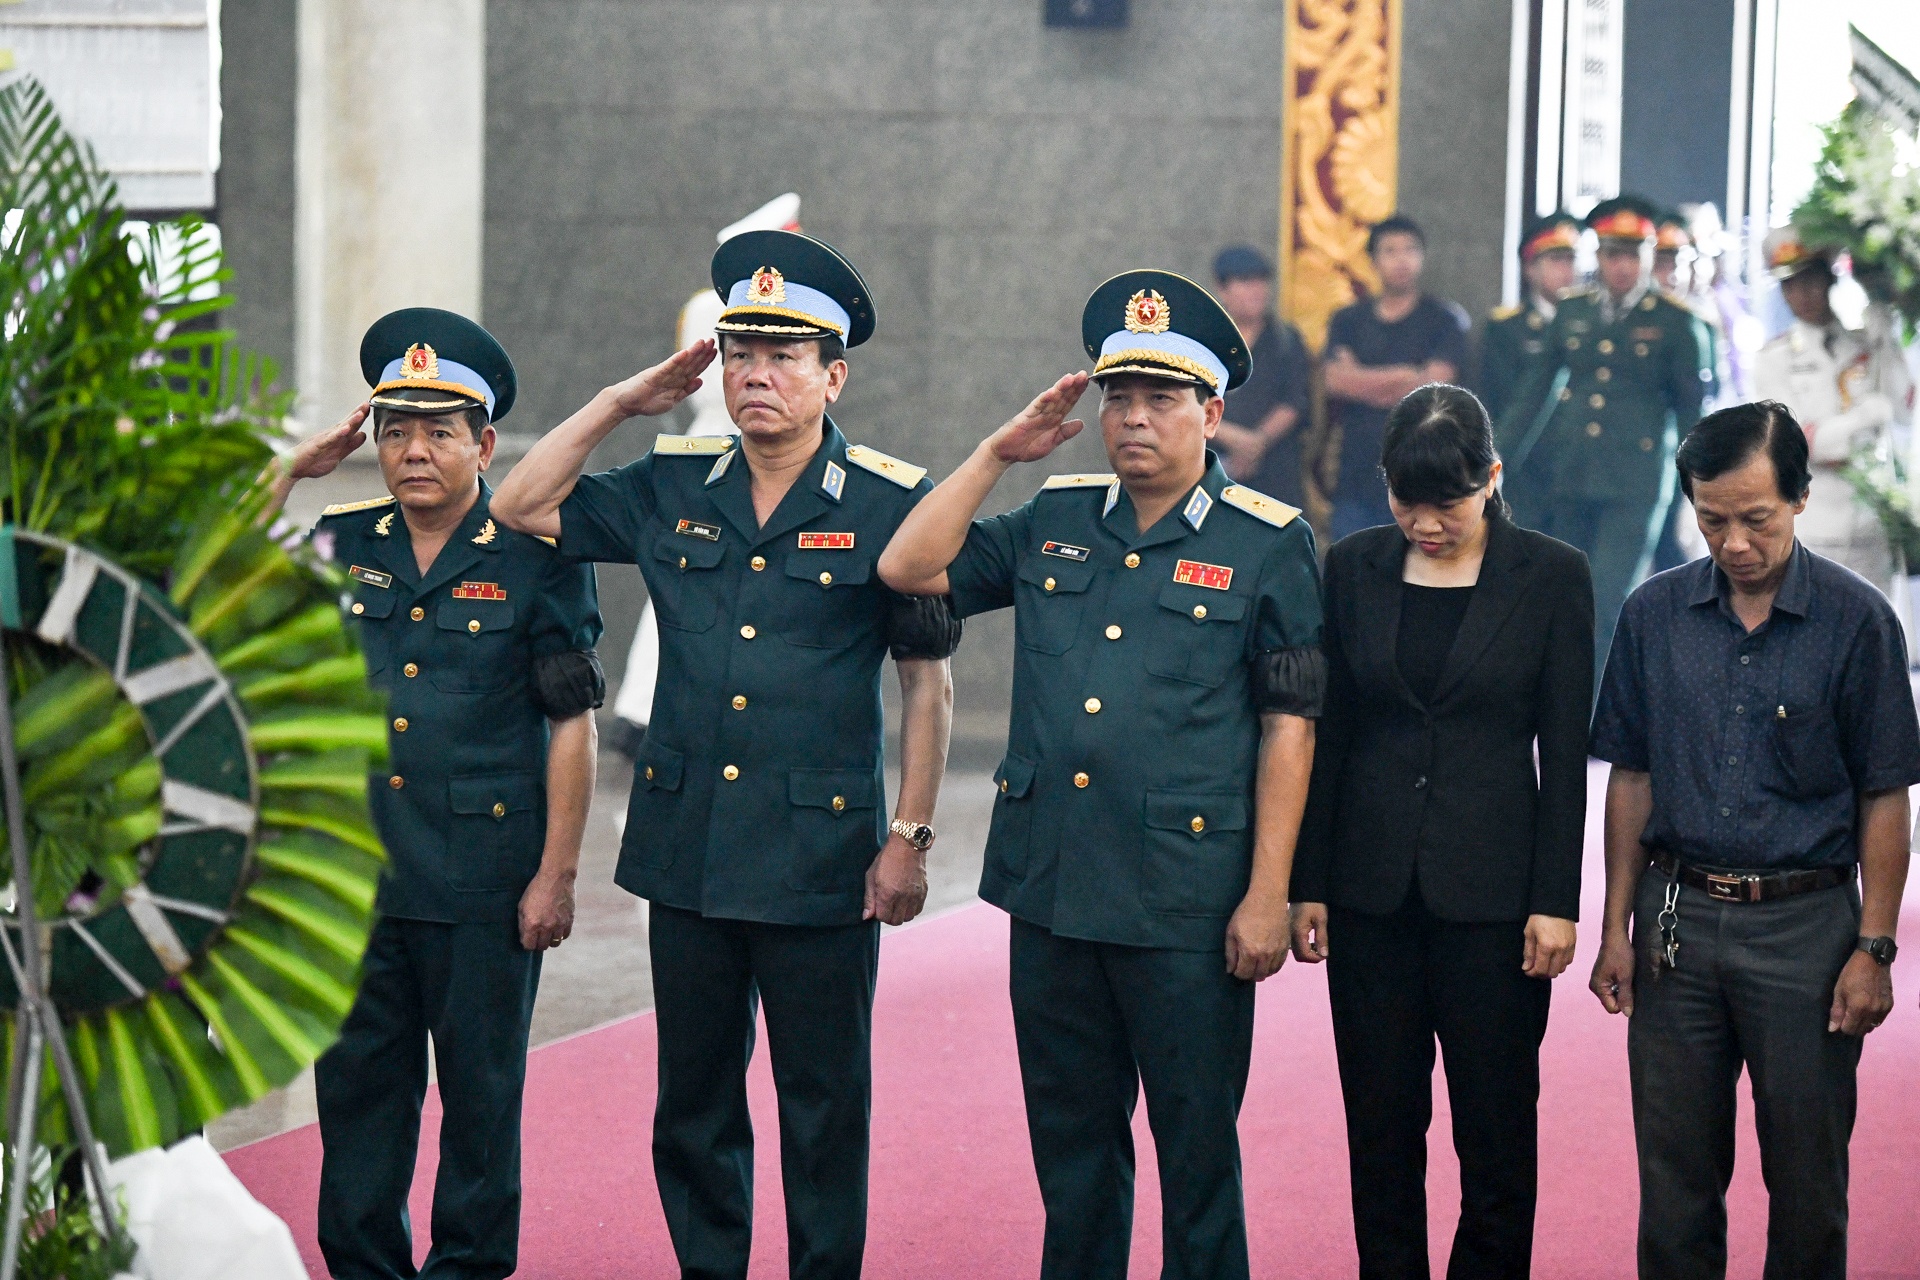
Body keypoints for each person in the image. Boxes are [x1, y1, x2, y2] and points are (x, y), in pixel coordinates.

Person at [490, 229, 960, 1279]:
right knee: (693, 1101)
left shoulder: (892, 499)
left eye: (783, 355)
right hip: (689, 846)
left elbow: (926, 680)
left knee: (823, 1102)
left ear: (833, 375)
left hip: (822, 858)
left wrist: (910, 836)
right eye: (739, 351)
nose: (756, 373)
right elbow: (519, 505)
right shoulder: (672, 482)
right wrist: (621, 402)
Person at [878, 270, 1324, 1279]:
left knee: (1197, 1156)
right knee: (1074, 1157)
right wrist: (997, 452)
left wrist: (1268, 892)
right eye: (1118, 397)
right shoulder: (1056, 515)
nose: (1132, 418)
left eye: (1161, 399)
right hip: (1057, 889)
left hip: (1185, 903)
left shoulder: (1267, 542)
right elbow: (909, 566)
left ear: (1212, 413)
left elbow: (1290, 729)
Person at [261, 308, 605, 1280]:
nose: (413, 450)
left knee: (482, 1102)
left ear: (485, 443)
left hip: (484, 885)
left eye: (439, 429)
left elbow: (571, 724)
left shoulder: (536, 554)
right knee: (360, 1102)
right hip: (354, 884)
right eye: (395, 429)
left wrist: (557, 875)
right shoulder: (339, 540)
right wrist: (295, 465)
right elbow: (219, 566)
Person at [1588, 400, 1919, 1280]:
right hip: (1675, 926)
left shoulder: (1859, 624)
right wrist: (1615, 926)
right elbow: (1630, 776)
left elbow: (1886, 797)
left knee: (1809, 1187)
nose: (1733, 542)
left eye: (1756, 519)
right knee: (1675, 1185)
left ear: (1802, 500)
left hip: (1804, 930)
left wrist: (1874, 947)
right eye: (1711, 520)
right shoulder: (1654, 615)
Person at [1290, 384, 1592, 1279]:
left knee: (1495, 1129)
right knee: (1381, 1129)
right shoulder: (1351, 566)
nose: (1425, 523)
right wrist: (1309, 879)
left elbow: (1566, 754)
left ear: (1491, 479)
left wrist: (1556, 901)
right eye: (1404, 501)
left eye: (1448, 504)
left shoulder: (1552, 574)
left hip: (1495, 902)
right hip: (1369, 892)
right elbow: (1330, 735)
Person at [610, 193, 802, 759]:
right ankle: (644, 709)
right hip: (717, 450)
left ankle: (643, 709)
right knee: (681, 584)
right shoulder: (711, 308)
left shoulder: (710, 307)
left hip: (740, 446)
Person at [1496, 195, 1710, 683]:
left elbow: (1693, 412)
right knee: (1566, 601)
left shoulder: (1676, 322)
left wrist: (1699, 489)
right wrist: (1494, 458)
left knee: (1609, 600)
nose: (1622, 266)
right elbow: (1533, 394)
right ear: (1599, 256)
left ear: (1649, 257)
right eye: (1613, 254)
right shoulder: (1575, 311)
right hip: (1572, 474)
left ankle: (1590, 721)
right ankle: (1563, 707)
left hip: (1634, 483)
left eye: (1633, 254)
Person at [1753, 228, 1915, 597]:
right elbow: (1794, 442)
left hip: (1871, 516)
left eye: (1810, 280)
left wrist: (1886, 331)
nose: (1802, 294)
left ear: (1829, 279)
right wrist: (1862, 419)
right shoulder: (1774, 360)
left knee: (1875, 636)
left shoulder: (1865, 342)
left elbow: (1904, 408)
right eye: (1790, 285)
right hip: (1814, 515)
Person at [1321, 215, 1470, 541]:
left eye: (1410, 250)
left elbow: (1433, 387)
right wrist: (1405, 374)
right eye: (1390, 251)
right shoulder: (1348, 319)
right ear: (1373, 260)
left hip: (1422, 472)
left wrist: (1361, 379)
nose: (1402, 260)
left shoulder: (1445, 319)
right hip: (1357, 469)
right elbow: (1334, 381)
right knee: (1350, 573)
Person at [1479, 212, 1581, 530]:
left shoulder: (1590, 327)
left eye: (1572, 260)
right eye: (1556, 260)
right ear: (1529, 268)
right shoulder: (1506, 327)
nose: (1568, 271)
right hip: (1525, 467)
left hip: (1578, 468)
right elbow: (1499, 399)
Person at [1208, 243, 1314, 507]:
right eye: (1245, 281)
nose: (1256, 290)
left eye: (1261, 281)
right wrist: (1232, 438)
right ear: (1223, 289)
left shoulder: (1285, 340)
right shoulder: (1204, 342)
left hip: (1276, 472)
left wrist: (1257, 442)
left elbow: (1296, 400)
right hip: (1212, 468)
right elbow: (1186, 400)